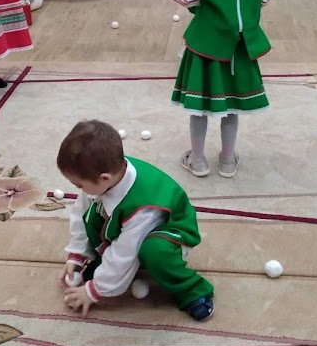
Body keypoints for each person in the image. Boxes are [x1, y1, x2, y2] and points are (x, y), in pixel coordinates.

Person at [57, 120, 215, 321]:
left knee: (154, 252)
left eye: (79, 185)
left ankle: (192, 290)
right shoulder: (107, 169)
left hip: (173, 231)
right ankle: (103, 262)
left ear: (104, 178)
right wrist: (77, 254)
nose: (78, 189)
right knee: (91, 214)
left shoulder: (143, 209)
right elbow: (80, 215)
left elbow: (126, 251)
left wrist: (93, 290)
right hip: (130, 225)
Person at [167, 0, 274, 178]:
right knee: (232, 106)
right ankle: (227, 160)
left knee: (199, 107)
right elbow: (262, 0)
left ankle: (198, 160)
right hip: (240, 49)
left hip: (206, 46)